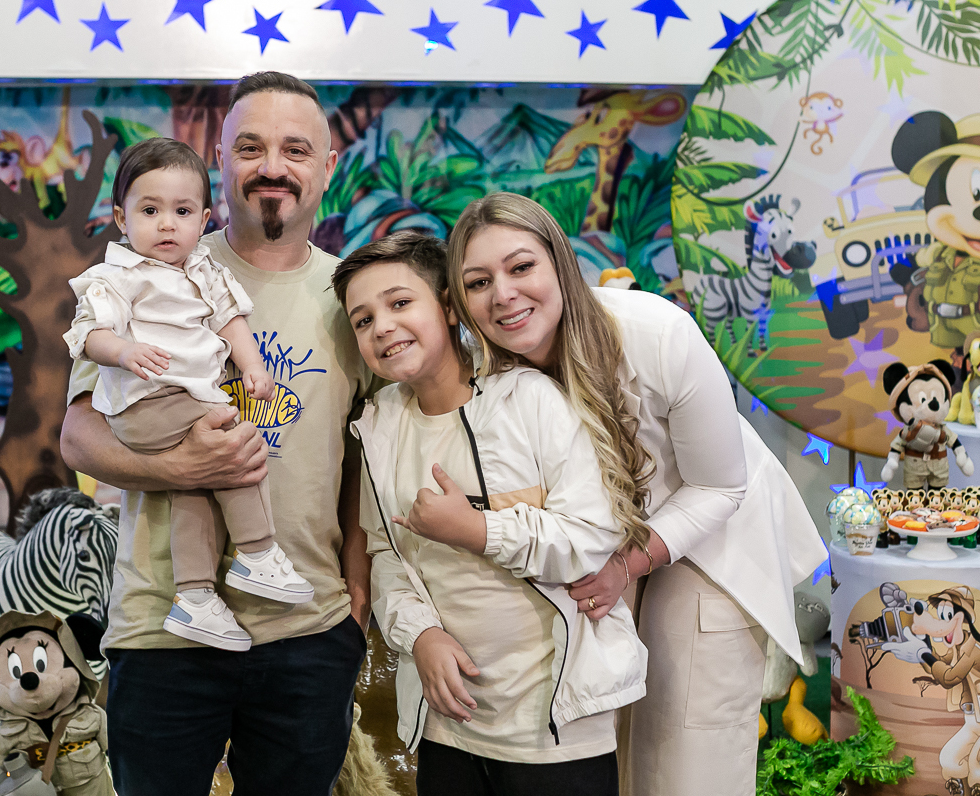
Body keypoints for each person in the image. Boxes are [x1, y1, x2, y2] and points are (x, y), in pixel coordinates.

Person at [446, 192, 826, 796]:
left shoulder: (656, 332)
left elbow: (719, 484)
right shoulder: (486, 376)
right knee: (615, 751)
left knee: (684, 752)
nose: (504, 294)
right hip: (607, 550)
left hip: (712, 542)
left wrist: (629, 565)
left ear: (561, 264)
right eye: (478, 281)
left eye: (521, 267)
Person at [59, 72, 372, 796]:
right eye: (250, 147)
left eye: (296, 149)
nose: (272, 167)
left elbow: (366, 460)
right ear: (219, 162)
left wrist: (356, 588)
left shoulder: (355, 295)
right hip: (162, 630)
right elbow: (79, 438)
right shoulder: (147, 275)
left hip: (308, 631)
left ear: (327, 167)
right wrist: (186, 468)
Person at [334, 232, 644, 796]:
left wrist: (477, 529)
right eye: (362, 319)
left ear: (449, 305)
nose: (381, 326)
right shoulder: (379, 425)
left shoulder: (529, 400)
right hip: (449, 722)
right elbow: (385, 554)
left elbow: (593, 536)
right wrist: (421, 636)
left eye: (400, 303)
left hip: (555, 725)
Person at [64, 138, 313, 652]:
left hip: (187, 397)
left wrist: (253, 367)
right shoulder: (118, 276)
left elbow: (232, 321)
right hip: (145, 402)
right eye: (149, 210)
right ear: (121, 217)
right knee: (235, 442)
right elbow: (88, 333)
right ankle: (258, 552)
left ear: (202, 220)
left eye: (180, 212)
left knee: (196, 487)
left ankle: (196, 598)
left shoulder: (204, 271)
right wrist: (122, 352)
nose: (165, 224)